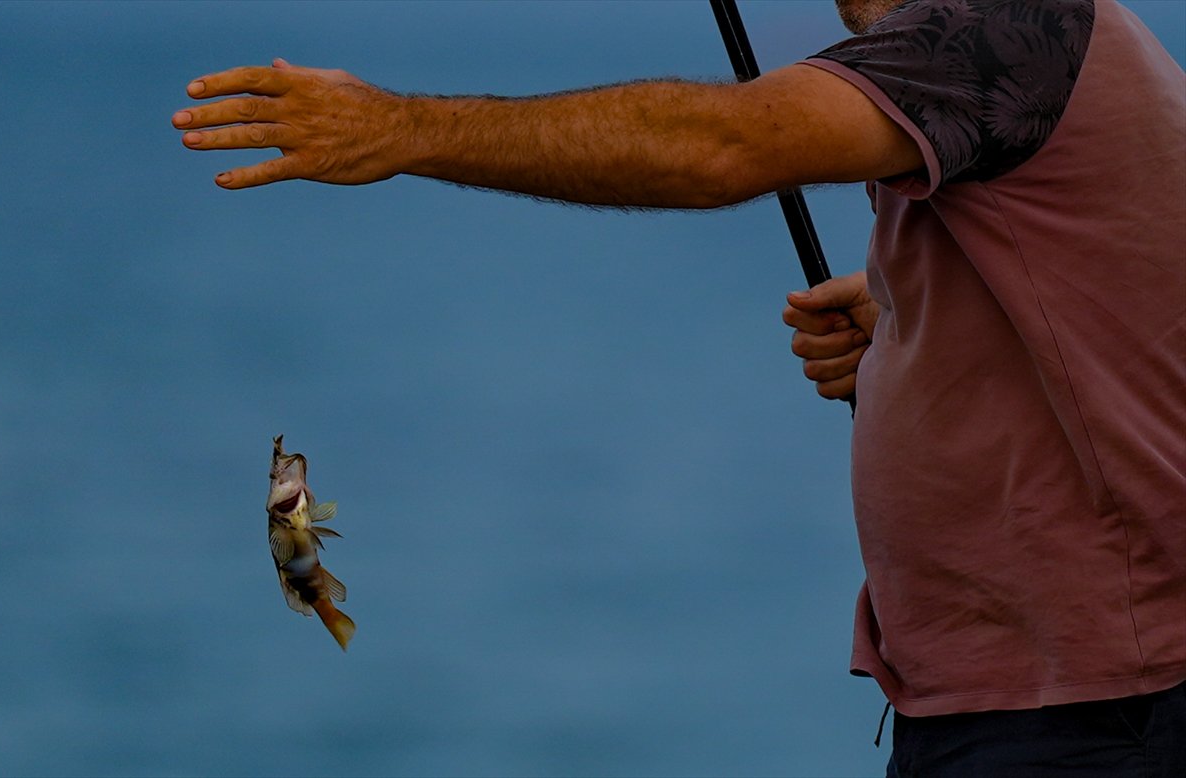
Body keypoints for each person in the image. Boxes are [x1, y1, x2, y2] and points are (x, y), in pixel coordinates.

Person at [173, 0, 1185, 774]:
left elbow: (723, 145)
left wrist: (401, 129)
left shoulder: (998, 24)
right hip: (1029, 697)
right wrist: (913, 325)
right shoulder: (1053, 49)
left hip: (1085, 716)